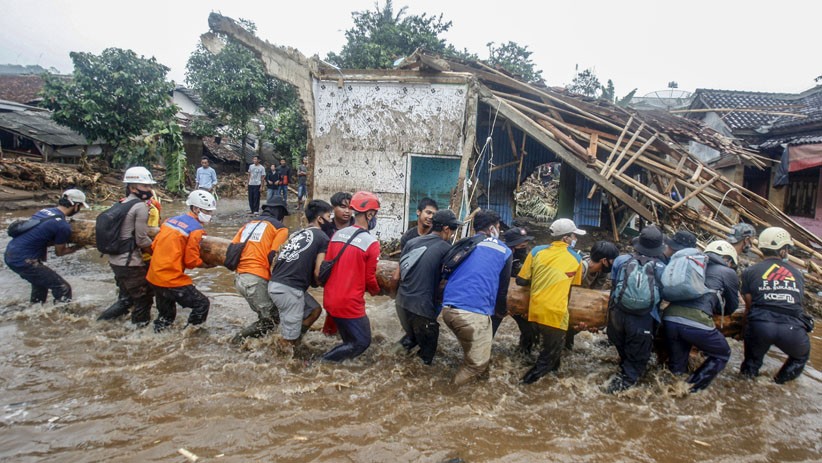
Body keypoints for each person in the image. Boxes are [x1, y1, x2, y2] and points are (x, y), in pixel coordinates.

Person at [441, 209, 512, 386]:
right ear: (493, 229)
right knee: (475, 366)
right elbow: (502, 291)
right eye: (498, 227)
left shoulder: (465, 243)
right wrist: (501, 312)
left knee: (477, 356)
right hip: (472, 315)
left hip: (448, 311)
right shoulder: (504, 250)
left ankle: (478, 391)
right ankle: (448, 396)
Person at [662, 235, 739, 392]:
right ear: (727, 259)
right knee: (722, 353)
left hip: (669, 318)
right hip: (695, 322)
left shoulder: (694, 266)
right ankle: (690, 389)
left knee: (677, 369)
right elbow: (731, 307)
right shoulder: (728, 272)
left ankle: (670, 393)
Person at [515, 218, 585, 384]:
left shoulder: (536, 252)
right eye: (573, 236)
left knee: (552, 354)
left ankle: (550, 383)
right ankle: (523, 385)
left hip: (534, 311)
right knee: (547, 359)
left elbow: (521, 281)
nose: (575, 239)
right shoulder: (576, 259)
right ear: (565, 238)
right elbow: (573, 287)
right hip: (555, 315)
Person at [739, 227, 811, 384]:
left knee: (751, 366)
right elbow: (797, 303)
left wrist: (745, 329)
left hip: (761, 325)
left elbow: (749, 306)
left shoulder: (750, 271)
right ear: (783, 251)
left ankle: (744, 392)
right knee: (800, 356)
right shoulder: (797, 274)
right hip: (792, 329)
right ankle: (777, 384)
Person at [392, 209, 462, 365]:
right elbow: (444, 285)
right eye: (453, 229)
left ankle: (387, 357)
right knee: (426, 359)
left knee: (413, 338)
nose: (452, 234)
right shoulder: (447, 249)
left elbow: (396, 276)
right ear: (445, 229)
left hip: (401, 304)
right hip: (422, 310)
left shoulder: (412, 242)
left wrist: (396, 296)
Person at [320, 191, 382, 362]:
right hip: (349, 303)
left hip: (330, 299)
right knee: (362, 342)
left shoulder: (337, 235)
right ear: (370, 214)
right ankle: (320, 364)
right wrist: (378, 291)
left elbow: (328, 265)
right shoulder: (371, 243)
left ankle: (335, 366)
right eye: (375, 214)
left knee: (348, 340)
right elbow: (369, 279)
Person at [606, 225, 667, 393]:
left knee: (624, 352)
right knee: (635, 365)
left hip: (617, 316)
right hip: (643, 319)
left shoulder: (621, 260)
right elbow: (663, 294)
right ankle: (614, 395)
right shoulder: (662, 268)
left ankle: (615, 382)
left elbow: (613, 285)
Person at [146, 190, 217, 332]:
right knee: (202, 304)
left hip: (154, 276)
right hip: (170, 278)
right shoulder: (196, 230)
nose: (210, 215)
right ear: (196, 209)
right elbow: (191, 261)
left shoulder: (169, 221)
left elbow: (153, 246)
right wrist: (208, 265)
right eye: (207, 211)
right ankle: (190, 336)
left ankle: (155, 340)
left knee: (166, 316)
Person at [4, 189, 88, 303]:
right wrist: (80, 246)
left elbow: (40, 233)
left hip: (11, 253)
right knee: (63, 288)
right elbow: (60, 252)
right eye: (81, 207)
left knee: (40, 285)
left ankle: (34, 313)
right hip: (24, 260)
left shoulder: (45, 211)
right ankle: (62, 317)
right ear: (76, 206)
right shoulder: (62, 226)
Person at [97, 167, 157, 325]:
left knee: (126, 299)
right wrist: (158, 252)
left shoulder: (121, 204)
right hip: (130, 263)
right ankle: (139, 335)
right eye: (145, 186)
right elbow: (142, 240)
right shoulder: (141, 207)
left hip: (115, 261)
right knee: (143, 300)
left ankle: (100, 323)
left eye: (150, 186)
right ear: (132, 187)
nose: (149, 190)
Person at [268, 200, 333, 347]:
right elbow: (318, 272)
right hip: (290, 289)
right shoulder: (323, 238)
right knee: (287, 340)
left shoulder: (298, 234)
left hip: (276, 284)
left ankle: (296, 341)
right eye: (329, 217)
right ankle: (279, 361)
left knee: (314, 310)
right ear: (320, 219)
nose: (331, 221)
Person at [230, 196, 290, 341]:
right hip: (256, 279)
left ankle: (260, 346)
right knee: (271, 321)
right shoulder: (280, 229)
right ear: (279, 212)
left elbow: (231, 248)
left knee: (269, 315)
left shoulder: (248, 225)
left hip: (240, 279)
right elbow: (273, 257)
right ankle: (236, 341)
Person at [498, 227, 537, 355]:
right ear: (512, 245)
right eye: (522, 244)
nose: (525, 246)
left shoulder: (527, 258)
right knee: (488, 328)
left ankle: (523, 354)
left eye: (526, 243)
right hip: (497, 298)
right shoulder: (499, 256)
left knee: (530, 331)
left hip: (520, 299)